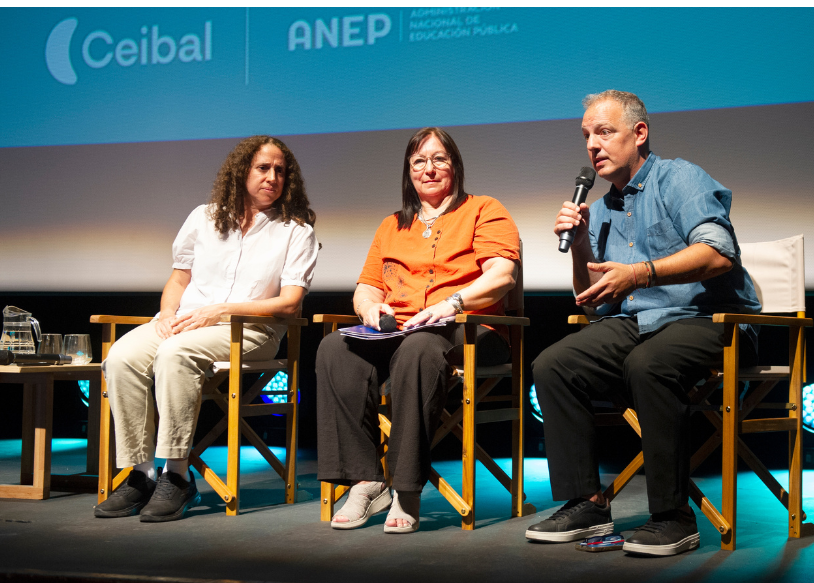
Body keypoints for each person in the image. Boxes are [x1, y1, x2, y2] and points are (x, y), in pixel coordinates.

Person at [525, 91, 760, 555]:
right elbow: (593, 303)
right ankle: (588, 503)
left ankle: (673, 517)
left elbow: (718, 253)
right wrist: (579, 244)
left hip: (710, 318)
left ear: (639, 133)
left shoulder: (679, 179)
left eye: (604, 132)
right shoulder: (599, 210)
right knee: (554, 364)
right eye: (586, 135)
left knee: (648, 364)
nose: (592, 145)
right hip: (637, 322)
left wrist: (640, 274)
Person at [93, 136, 318, 522]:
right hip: (188, 322)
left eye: (281, 171)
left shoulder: (295, 231)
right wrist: (167, 314)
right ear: (241, 172)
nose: (272, 177)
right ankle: (142, 474)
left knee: (174, 354)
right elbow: (179, 279)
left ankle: (177, 476)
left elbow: (289, 303)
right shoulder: (203, 217)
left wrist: (221, 311)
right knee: (121, 357)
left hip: (250, 331)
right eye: (263, 168)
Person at [316, 127, 520, 534]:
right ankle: (365, 479)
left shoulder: (484, 209)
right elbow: (366, 288)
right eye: (419, 162)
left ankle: (407, 487)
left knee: (419, 348)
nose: (429, 169)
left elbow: (502, 276)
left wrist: (451, 304)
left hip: (469, 328)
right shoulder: (391, 225)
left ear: (455, 165)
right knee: (334, 348)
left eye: (439, 159)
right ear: (408, 172)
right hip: (401, 331)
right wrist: (370, 308)